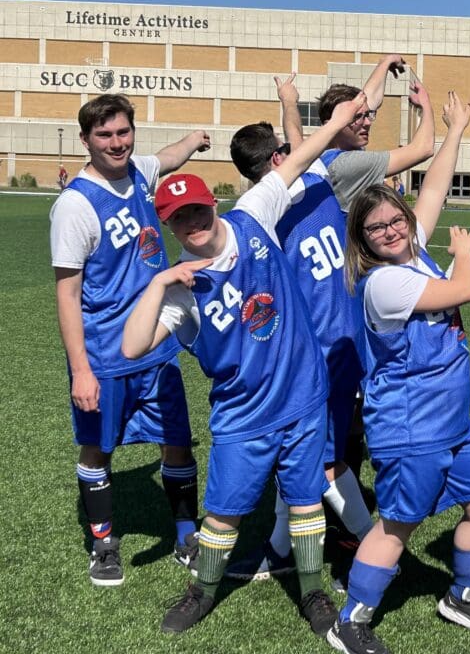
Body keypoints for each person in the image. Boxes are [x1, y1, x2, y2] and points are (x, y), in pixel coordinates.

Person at [121, 93, 368, 636]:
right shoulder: (184, 288)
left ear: (214, 203)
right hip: (243, 416)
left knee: (306, 504)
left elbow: (299, 159)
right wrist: (160, 282)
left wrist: (336, 122)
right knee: (224, 512)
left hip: (302, 398)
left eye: (198, 209)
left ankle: (313, 593)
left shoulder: (253, 214)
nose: (193, 222)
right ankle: (201, 591)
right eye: (179, 218)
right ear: (168, 226)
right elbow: (132, 346)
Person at [225, 63, 436, 581]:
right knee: (307, 457)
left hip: (327, 354)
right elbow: (313, 138)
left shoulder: (317, 177)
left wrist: (298, 98)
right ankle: (282, 551)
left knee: (316, 459)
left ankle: (373, 545)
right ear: (275, 165)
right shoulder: (262, 216)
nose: (293, 152)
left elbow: (319, 133)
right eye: (284, 149)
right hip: (319, 351)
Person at [328, 92, 470, 654]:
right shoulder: (385, 282)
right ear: (362, 240)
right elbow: (466, 290)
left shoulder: (412, 253)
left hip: (452, 422)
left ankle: (463, 596)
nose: (389, 231)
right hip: (411, 427)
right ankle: (351, 620)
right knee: (397, 526)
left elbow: (431, 188)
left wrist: (454, 129)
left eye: (394, 221)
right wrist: (467, 250)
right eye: (374, 228)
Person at [49, 93, 209, 587]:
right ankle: (102, 542)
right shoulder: (75, 205)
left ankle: (187, 535)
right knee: (98, 449)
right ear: (85, 141)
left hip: (157, 344)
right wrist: (81, 369)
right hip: (105, 353)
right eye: (104, 136)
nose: (116, 143)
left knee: (177, 442)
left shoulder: (140, 170)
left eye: (123, 132)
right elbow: (67, 293)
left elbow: (169, 156)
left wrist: (197, 140)